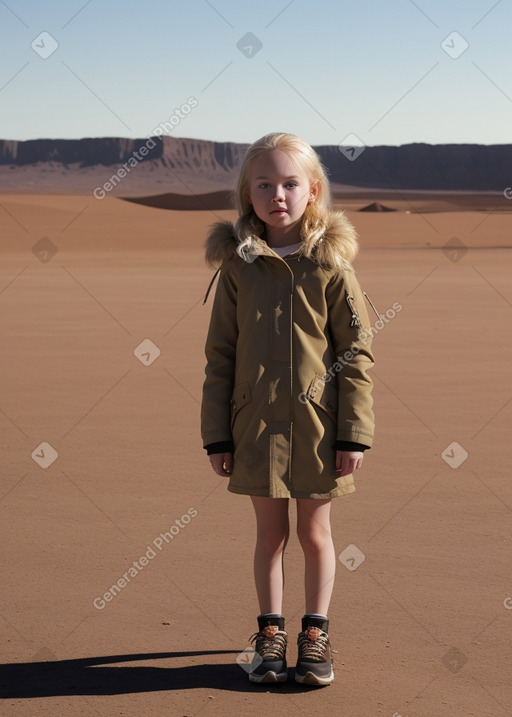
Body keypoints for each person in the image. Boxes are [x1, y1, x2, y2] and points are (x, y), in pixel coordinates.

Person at [200, 132, 376, 686]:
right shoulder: (237, 268)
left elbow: (355, 355)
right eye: (265, 184)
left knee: (315, 534)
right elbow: (220, 356)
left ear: (313, 191)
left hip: (319, 429)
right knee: (269, 536)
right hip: (254, 428)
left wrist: (354, 434)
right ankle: (271, 635)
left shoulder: (331, 267)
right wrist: (217, 435)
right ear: (247, 195)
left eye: (290, 183)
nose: (278, 194)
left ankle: (316, 635)